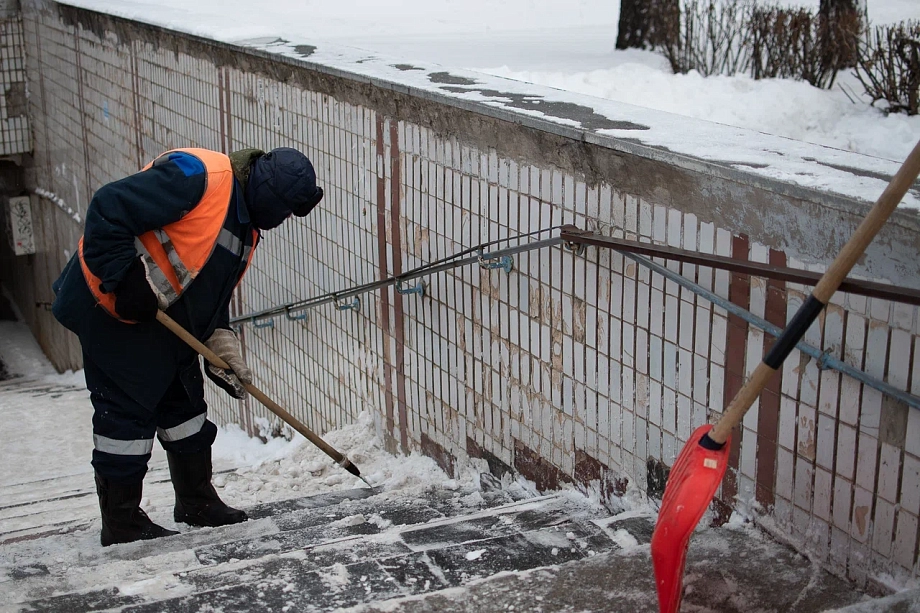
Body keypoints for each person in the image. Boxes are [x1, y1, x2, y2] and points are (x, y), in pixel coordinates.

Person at [51, 146, 323, 546]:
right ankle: (121, 521)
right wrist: (123, 278)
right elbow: (108, 205)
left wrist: (220, 340)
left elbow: (208, 286)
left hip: (164, 320)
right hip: (110, 307)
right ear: (266, 192)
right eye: (282, 210)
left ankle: (196, 500)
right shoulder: (197, 177)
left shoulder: (245, 222)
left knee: (185, 408)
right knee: (126, 418)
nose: (281, 221)